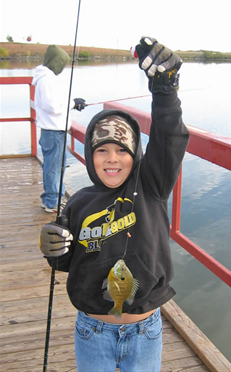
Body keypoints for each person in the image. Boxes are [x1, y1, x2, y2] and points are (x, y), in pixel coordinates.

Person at [39, 37, 190, 372]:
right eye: (101, 150)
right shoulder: (78, 203)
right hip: (93, 330)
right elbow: (66, 263)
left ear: (135, 155)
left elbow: (169, 139)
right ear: (91, 158)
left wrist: (165, 92)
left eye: (122, 150)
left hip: (145, 329)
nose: (112, 159)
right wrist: (54, 249)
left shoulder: (151, 185)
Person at [32, 45, 86, 213]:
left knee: (52, 167)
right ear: (56, 62)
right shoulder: (47, 79)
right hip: (54, 132)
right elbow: (53, 106)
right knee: (54, 168)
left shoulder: (44, 78)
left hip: (51, 132)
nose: (63, 67)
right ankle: (52, 203)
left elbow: (54, 103)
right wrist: (73, 103)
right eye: (62, 63)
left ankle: (51, 199)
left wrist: (72, 103)